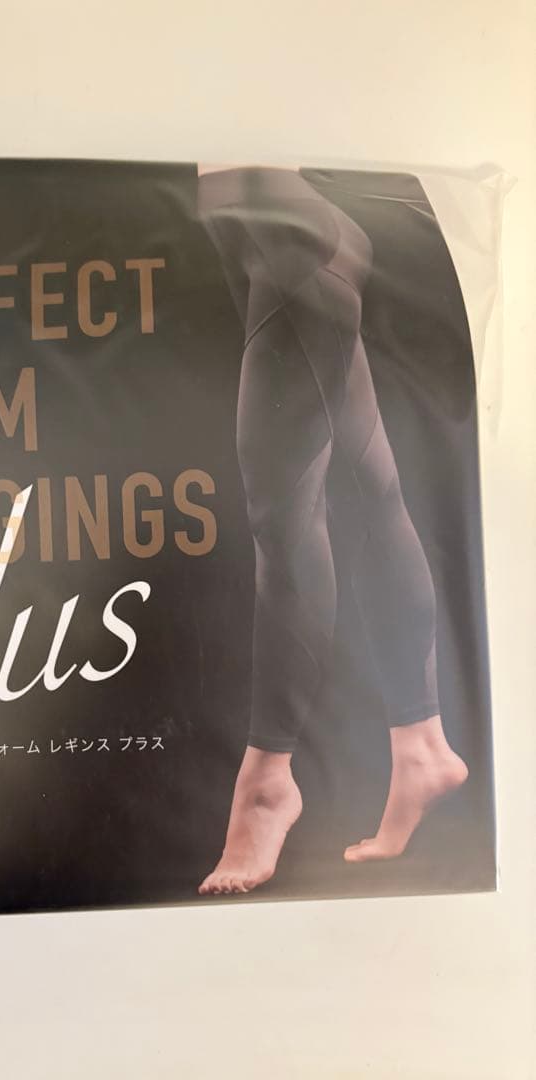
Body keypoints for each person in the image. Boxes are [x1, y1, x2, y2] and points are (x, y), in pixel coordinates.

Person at [195, 165, 468, 896]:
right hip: (270, 236)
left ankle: (267, 781)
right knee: (366, 489)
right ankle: (422, 746)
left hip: (287, 237)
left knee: (283, 515)